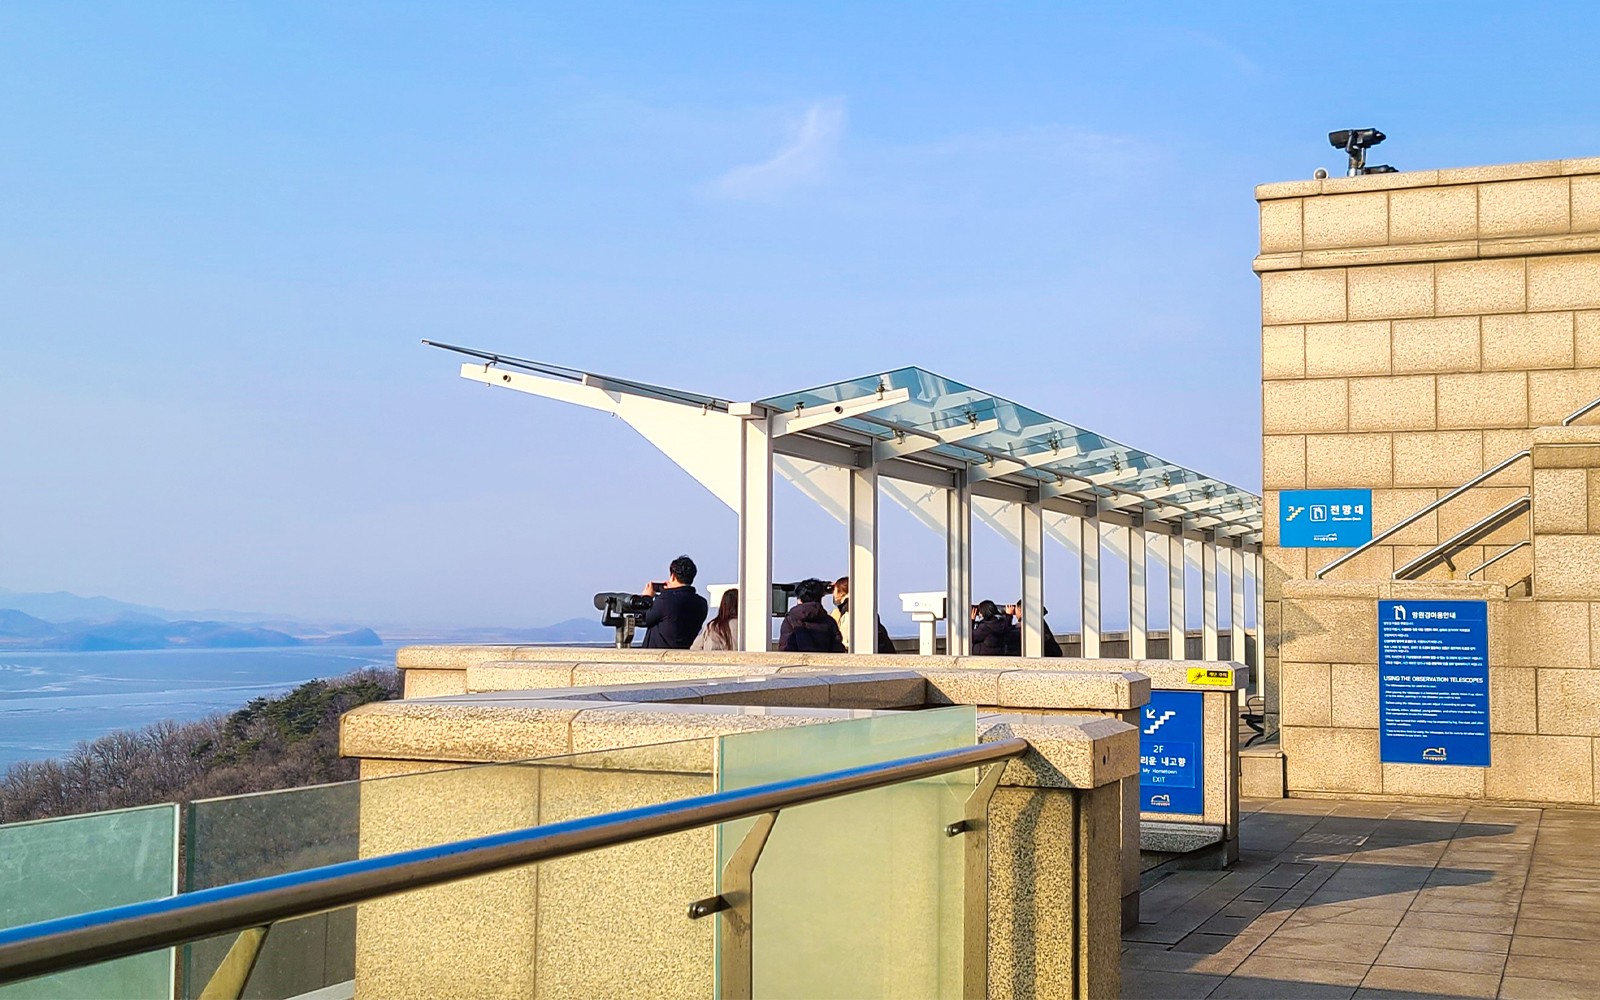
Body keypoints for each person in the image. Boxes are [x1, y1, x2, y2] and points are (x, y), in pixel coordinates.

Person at [640, 555, 708, 649]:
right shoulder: (702, 603)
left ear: (672, 576)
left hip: (658, 657)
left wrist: (646, 598)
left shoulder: (665, 600)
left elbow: (642, 619)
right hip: (685, 655)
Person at [831, 576, 898, 653]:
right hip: (883, 652)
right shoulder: (864, 605)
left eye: (834, 590)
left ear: (841, 593)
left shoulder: (849, 611)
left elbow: (846, 641)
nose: (833, 594)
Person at [779, 578, 846, 652]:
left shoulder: (790, 621)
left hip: (798, 663)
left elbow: (786, 649)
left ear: (799, 600)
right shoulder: (829, 621)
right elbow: (837, 650)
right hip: (824, 663)